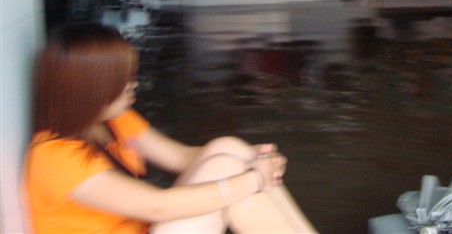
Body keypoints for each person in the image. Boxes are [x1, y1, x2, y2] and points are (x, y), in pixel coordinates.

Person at [23, 22, 317, 233]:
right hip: (154, 216)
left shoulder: (113, 120)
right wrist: (255, 178)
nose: (133, 85)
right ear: (90, 89)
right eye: (122, 79)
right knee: (233, 176)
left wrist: (254, 159)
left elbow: (181, 157)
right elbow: (157, 206)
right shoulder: (55, 157)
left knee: (229, 150)